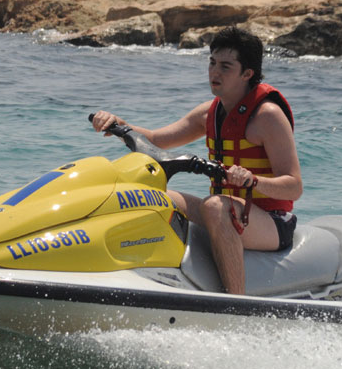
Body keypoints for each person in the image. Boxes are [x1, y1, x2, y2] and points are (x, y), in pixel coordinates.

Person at [91, 26, 302, 295]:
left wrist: (253, 180)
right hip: (229, 211)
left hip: (273, 222)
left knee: (215, 206)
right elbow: (156, 139)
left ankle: (236, 303)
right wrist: (120, 125)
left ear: (247, 73)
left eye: (226, 66)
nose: (214, 72)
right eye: (212, 63)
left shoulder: (268, 116)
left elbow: (294, 186)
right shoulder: (210, 113)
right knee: (149, 196)